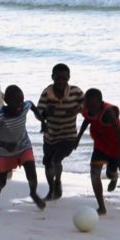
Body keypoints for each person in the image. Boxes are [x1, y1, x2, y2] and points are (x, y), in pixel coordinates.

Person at [0, 85, 46, 212]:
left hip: (24, 145)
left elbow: (33, 106)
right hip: (5, 151)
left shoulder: (25, 105)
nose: (20, 105)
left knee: (31, 172)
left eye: (21, 101)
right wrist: (6, 145)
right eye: (16, 102)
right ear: (6, 101)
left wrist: (43, 122)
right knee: (1, 181)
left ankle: (33, 193)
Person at [36, 63, 84, 200]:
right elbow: (38, 113)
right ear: (52, 77)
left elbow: (88, 104)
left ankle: (58, 182)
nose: (61, 81)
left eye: (64, 78)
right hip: (50, 135)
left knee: (56, 161)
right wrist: (46, 113)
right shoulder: (47, 93)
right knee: (47, 163)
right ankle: (51, 189)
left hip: (69, 135)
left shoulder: (75, 91)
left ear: (69, 77)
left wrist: (76, 110)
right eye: (58, 78)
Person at [76, 88, 120, 215]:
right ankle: (101, 207)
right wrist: (78, 138)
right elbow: (87, 119)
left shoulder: (108, 112)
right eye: (88, 105)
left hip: (115, 146)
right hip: (100, 145)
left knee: (110, 173)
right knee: (94, 174)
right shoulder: (87, 108)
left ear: (100, 103)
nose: (90, 108)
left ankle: (114, 178)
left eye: (94, 105)